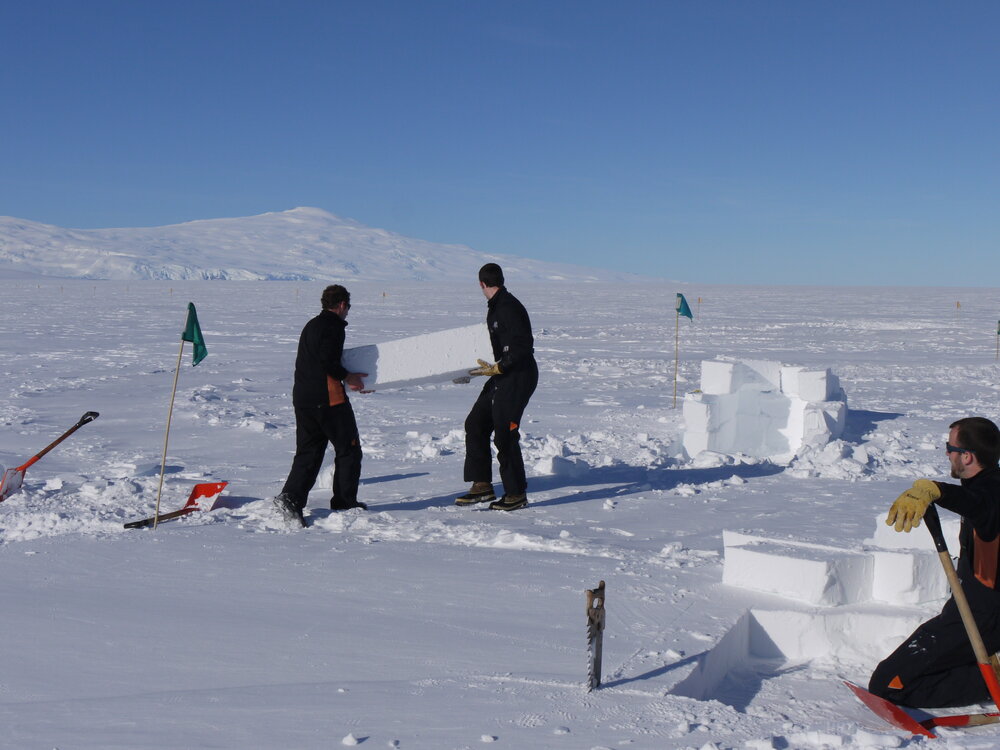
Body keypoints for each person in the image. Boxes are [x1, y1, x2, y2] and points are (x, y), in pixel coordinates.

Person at [868, 416, 1000, 707]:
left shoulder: (990, 495)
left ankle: (994, 681)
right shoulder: (988, 484)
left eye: (949, 447)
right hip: (971, 613)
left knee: (888, 685)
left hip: (979, 620)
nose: (946, 453)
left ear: (967, 456)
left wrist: (936, 489)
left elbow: (979, 504)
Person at [274, 285, 368, 526]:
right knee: (349, 449)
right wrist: (348, 377)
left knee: (310, 451)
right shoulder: (332, 326)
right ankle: (345, 502)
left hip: (303, 398)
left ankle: (291, 498)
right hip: (328, 399)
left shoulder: (312, 324)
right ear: (343, 305)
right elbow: (327, 360)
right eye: (348, 307)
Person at [457, 263, 538, 511]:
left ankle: (516, 494)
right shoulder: (496, 307)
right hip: (501, 375)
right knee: (475, 423)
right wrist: (466, 370)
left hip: (518, 376)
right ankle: (481, 485)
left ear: (481, 284)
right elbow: (495, 347)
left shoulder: (508, 307)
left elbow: (523, 347)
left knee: (505, 432)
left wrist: (501, 367)